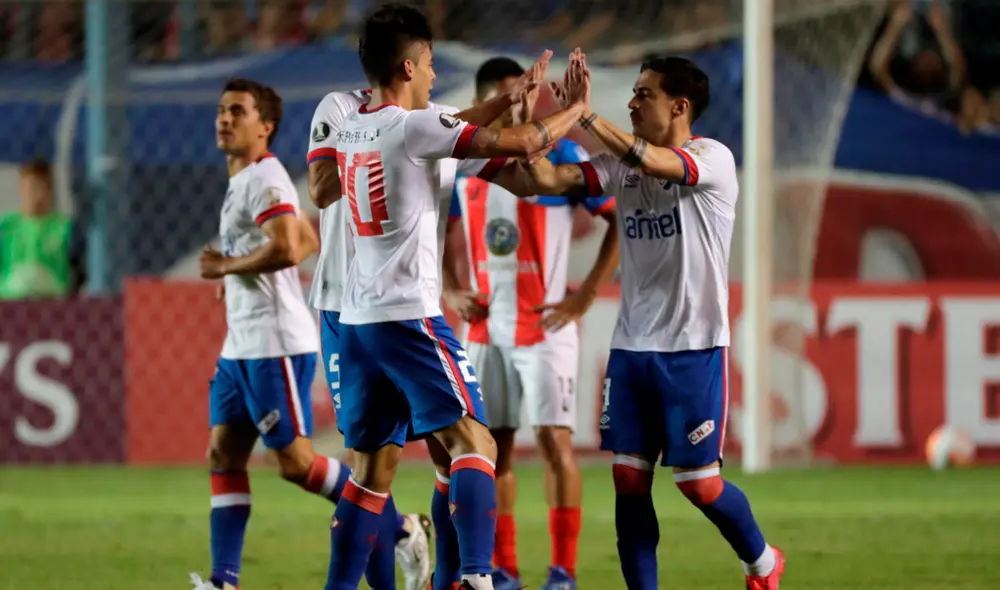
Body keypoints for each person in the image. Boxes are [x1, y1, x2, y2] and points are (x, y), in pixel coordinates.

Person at [489, 50, 785, 589]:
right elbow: (543, 181)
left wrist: (583, 112)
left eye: (642, 93)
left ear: (680, 106)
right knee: (628, 480)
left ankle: (763, 562)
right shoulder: (617, 168)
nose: (631, 102)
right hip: (632, 348)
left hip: (694, 347)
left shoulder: (712, 157)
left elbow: (653, 162)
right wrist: (521, 125)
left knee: (698, 484)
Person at [322, 4, 589, 589]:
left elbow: (450, 127)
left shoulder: (358, 127)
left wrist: (505, 96)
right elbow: (521, 141)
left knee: (369, 477)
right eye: (431, 63)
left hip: (359, 320)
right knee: (476, 443)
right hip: (408, 315)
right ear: (409, 65)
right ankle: (475, 576)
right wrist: (576, 109)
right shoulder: (416, 128)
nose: (436, 74)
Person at [442, 56, 619, 590]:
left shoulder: (561, 156)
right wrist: (451, 287)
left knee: (554, 444)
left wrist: (585, 296)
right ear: (485, 101)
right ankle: (503, 569)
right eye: (508, 95)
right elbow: (436, 234)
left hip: (544, 327)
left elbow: (617, 222)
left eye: (525, 94)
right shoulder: (461, 163)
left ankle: (563, 571)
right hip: (484, 329)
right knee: (488, 447)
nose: (522, 103)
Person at [186, 78, 357, 590]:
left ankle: (395, 526)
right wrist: (236, 273)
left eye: (237, 111)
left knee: (295, 464)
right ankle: (224, 580)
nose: (224, 118)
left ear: (266, 127)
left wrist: (227, 267)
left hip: (273, 343)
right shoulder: (246, 179)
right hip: (242, 343)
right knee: (223, 452)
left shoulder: (264, 178)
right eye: (221, 110)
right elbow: (304, 235)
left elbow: (288, 248)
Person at [0, 159, 86, 300]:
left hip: (52, 299)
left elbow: (78, 268)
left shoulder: (64, 228)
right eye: (30, 186)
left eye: (40, 187)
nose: (34, 194)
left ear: (49, 191)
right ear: (20, 188)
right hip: (10, 300)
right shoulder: (6, 227)